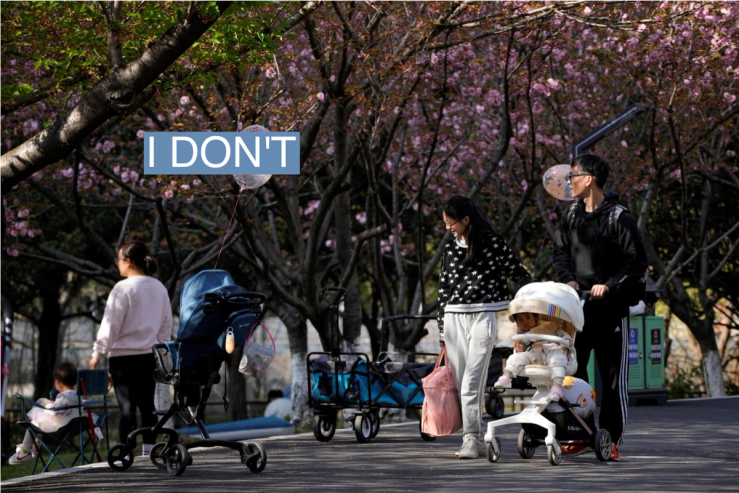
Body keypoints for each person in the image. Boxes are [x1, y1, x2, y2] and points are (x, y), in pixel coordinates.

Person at [552, 153, 648, 461]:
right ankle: (580, 433)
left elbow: (637, 263)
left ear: (589, 179)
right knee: (573, 375)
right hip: (577, 312)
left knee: (611, 379)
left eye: (573, 177)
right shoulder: (569, 216)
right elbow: (560, 254)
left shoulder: (619, 218)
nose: (569, 182)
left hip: (611, 312)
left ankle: (610, 437)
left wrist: (610, 284)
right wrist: (567, 280)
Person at [437, 195, 532, 459]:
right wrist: (442, 330)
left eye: (451, 223)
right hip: (453, 318)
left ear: (466, 219)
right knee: (460, 384)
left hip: (482, 317)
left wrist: (534, 292)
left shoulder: (493, 244)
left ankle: (469, 439)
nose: (449, 228)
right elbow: (443, 290)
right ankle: (476, 438)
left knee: (471, 382)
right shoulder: (450, 249)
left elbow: (517, 271)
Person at [89, 240, 172, 457]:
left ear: (127, 261)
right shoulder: (159, 287)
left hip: (123, 359)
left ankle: (126, 451)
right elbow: (166, 322)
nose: (118, 264)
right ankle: (149, 450)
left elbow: (110, 325)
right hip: (149, 356)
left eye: (119, 260)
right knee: (148, 406)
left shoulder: (122, 288)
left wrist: (97, 353)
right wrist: (161, 348)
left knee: (127, 407)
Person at [8, 363, 102, 465]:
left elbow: (54, 412)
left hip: (59, 427)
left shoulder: (62, 396)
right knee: (40, 416)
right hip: (72, 426)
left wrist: (47, 405)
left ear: (58, 382)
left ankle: (25, 451)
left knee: (34, 420)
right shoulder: (78, 394)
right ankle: (35, 443)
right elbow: (68, 407)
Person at [493, 312, 573, 401]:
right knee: (515, 357)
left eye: (528, 318)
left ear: (535, 317)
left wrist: (567, 340)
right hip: (532, 356)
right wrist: (520, 348)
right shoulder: (522, 335)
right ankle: (506, 376)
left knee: (558, 357)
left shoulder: (549, 327)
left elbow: (563, 335)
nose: (525, 322)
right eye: (520, 320)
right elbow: (521, 349)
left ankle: (557, 386)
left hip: (550, 351)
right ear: (516, 322)